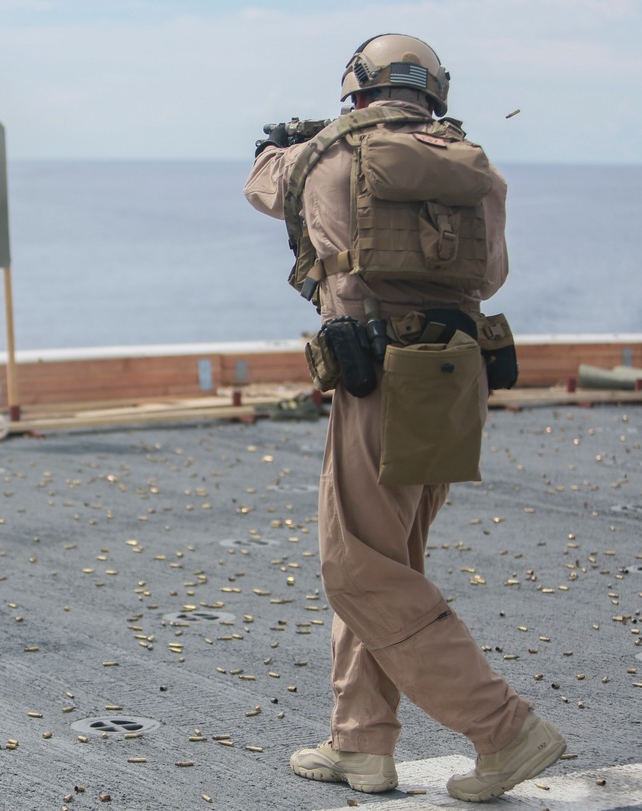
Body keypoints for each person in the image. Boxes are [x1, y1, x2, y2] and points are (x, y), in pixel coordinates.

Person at [243, 34, 566, 803]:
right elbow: (490, 273)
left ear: (357, 88)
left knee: (358, 567)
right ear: (435, 93)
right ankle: (361, 743)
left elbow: (262, 184)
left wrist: (278, 143)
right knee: (390, 563)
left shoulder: (329, 152)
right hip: (457, 378)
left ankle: (503, 728)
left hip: (378, 376)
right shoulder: (475, 166)